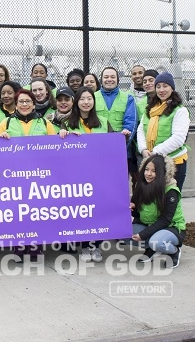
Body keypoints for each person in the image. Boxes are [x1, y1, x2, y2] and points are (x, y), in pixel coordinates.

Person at [0, 89, 55, 260]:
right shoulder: (5, 123)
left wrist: (63, 134)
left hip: (39, 175)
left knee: (37, 211)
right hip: (14, 175)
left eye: (28, 101)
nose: (24, 105)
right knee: (18, 211)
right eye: (21, 101)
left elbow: (54, 148)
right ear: (16, 104)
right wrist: (1, 138)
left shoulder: (44, 123)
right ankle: (19, 245)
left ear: (34, 104)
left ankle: (36, 245)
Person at [59, 86, 112, 262]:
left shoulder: (104, 122)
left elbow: (111, 147)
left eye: (89, 98)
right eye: (82, 99)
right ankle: (83, 246)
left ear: (94, 101)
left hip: (100, 175)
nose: (86, 102)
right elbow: (60, 150)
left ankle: (96, 246)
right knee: (81, 211)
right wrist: (63, 135)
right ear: (76, 102)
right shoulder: (68, 123)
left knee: (98, 211)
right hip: (77, 176)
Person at [136, 72, 190, 190]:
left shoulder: (180, 111)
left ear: (172, 88)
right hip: (152, 160)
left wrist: (155, 151)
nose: (161, 90)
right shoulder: (150, 109)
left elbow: (178, 139)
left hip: (174, 162)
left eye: (165, 86)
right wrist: (144, 149)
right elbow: (141, 130)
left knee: (169, 200)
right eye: (158, 86)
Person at [131, 154, 186, 268]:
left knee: (157, 242)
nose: (148, 174)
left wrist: (143, 235)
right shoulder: (141, 185)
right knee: (123, 233)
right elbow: (137, 215)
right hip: (149, 225)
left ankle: (174, 251)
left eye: (153, 171)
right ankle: (152, 249)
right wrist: (132, 208)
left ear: (162, 173)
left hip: (171, 227)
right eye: (146, 169)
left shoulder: (171, 191)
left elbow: (166, 220)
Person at [95, 67, 136, 139]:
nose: (109, 79)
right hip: (97, 141)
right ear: (101, 80)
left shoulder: (128, 98)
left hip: (120, 143)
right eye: (106, 77)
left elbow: (130, 122)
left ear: (118, 80)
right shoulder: (92, 97)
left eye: (113, 77)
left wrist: (124, 142)